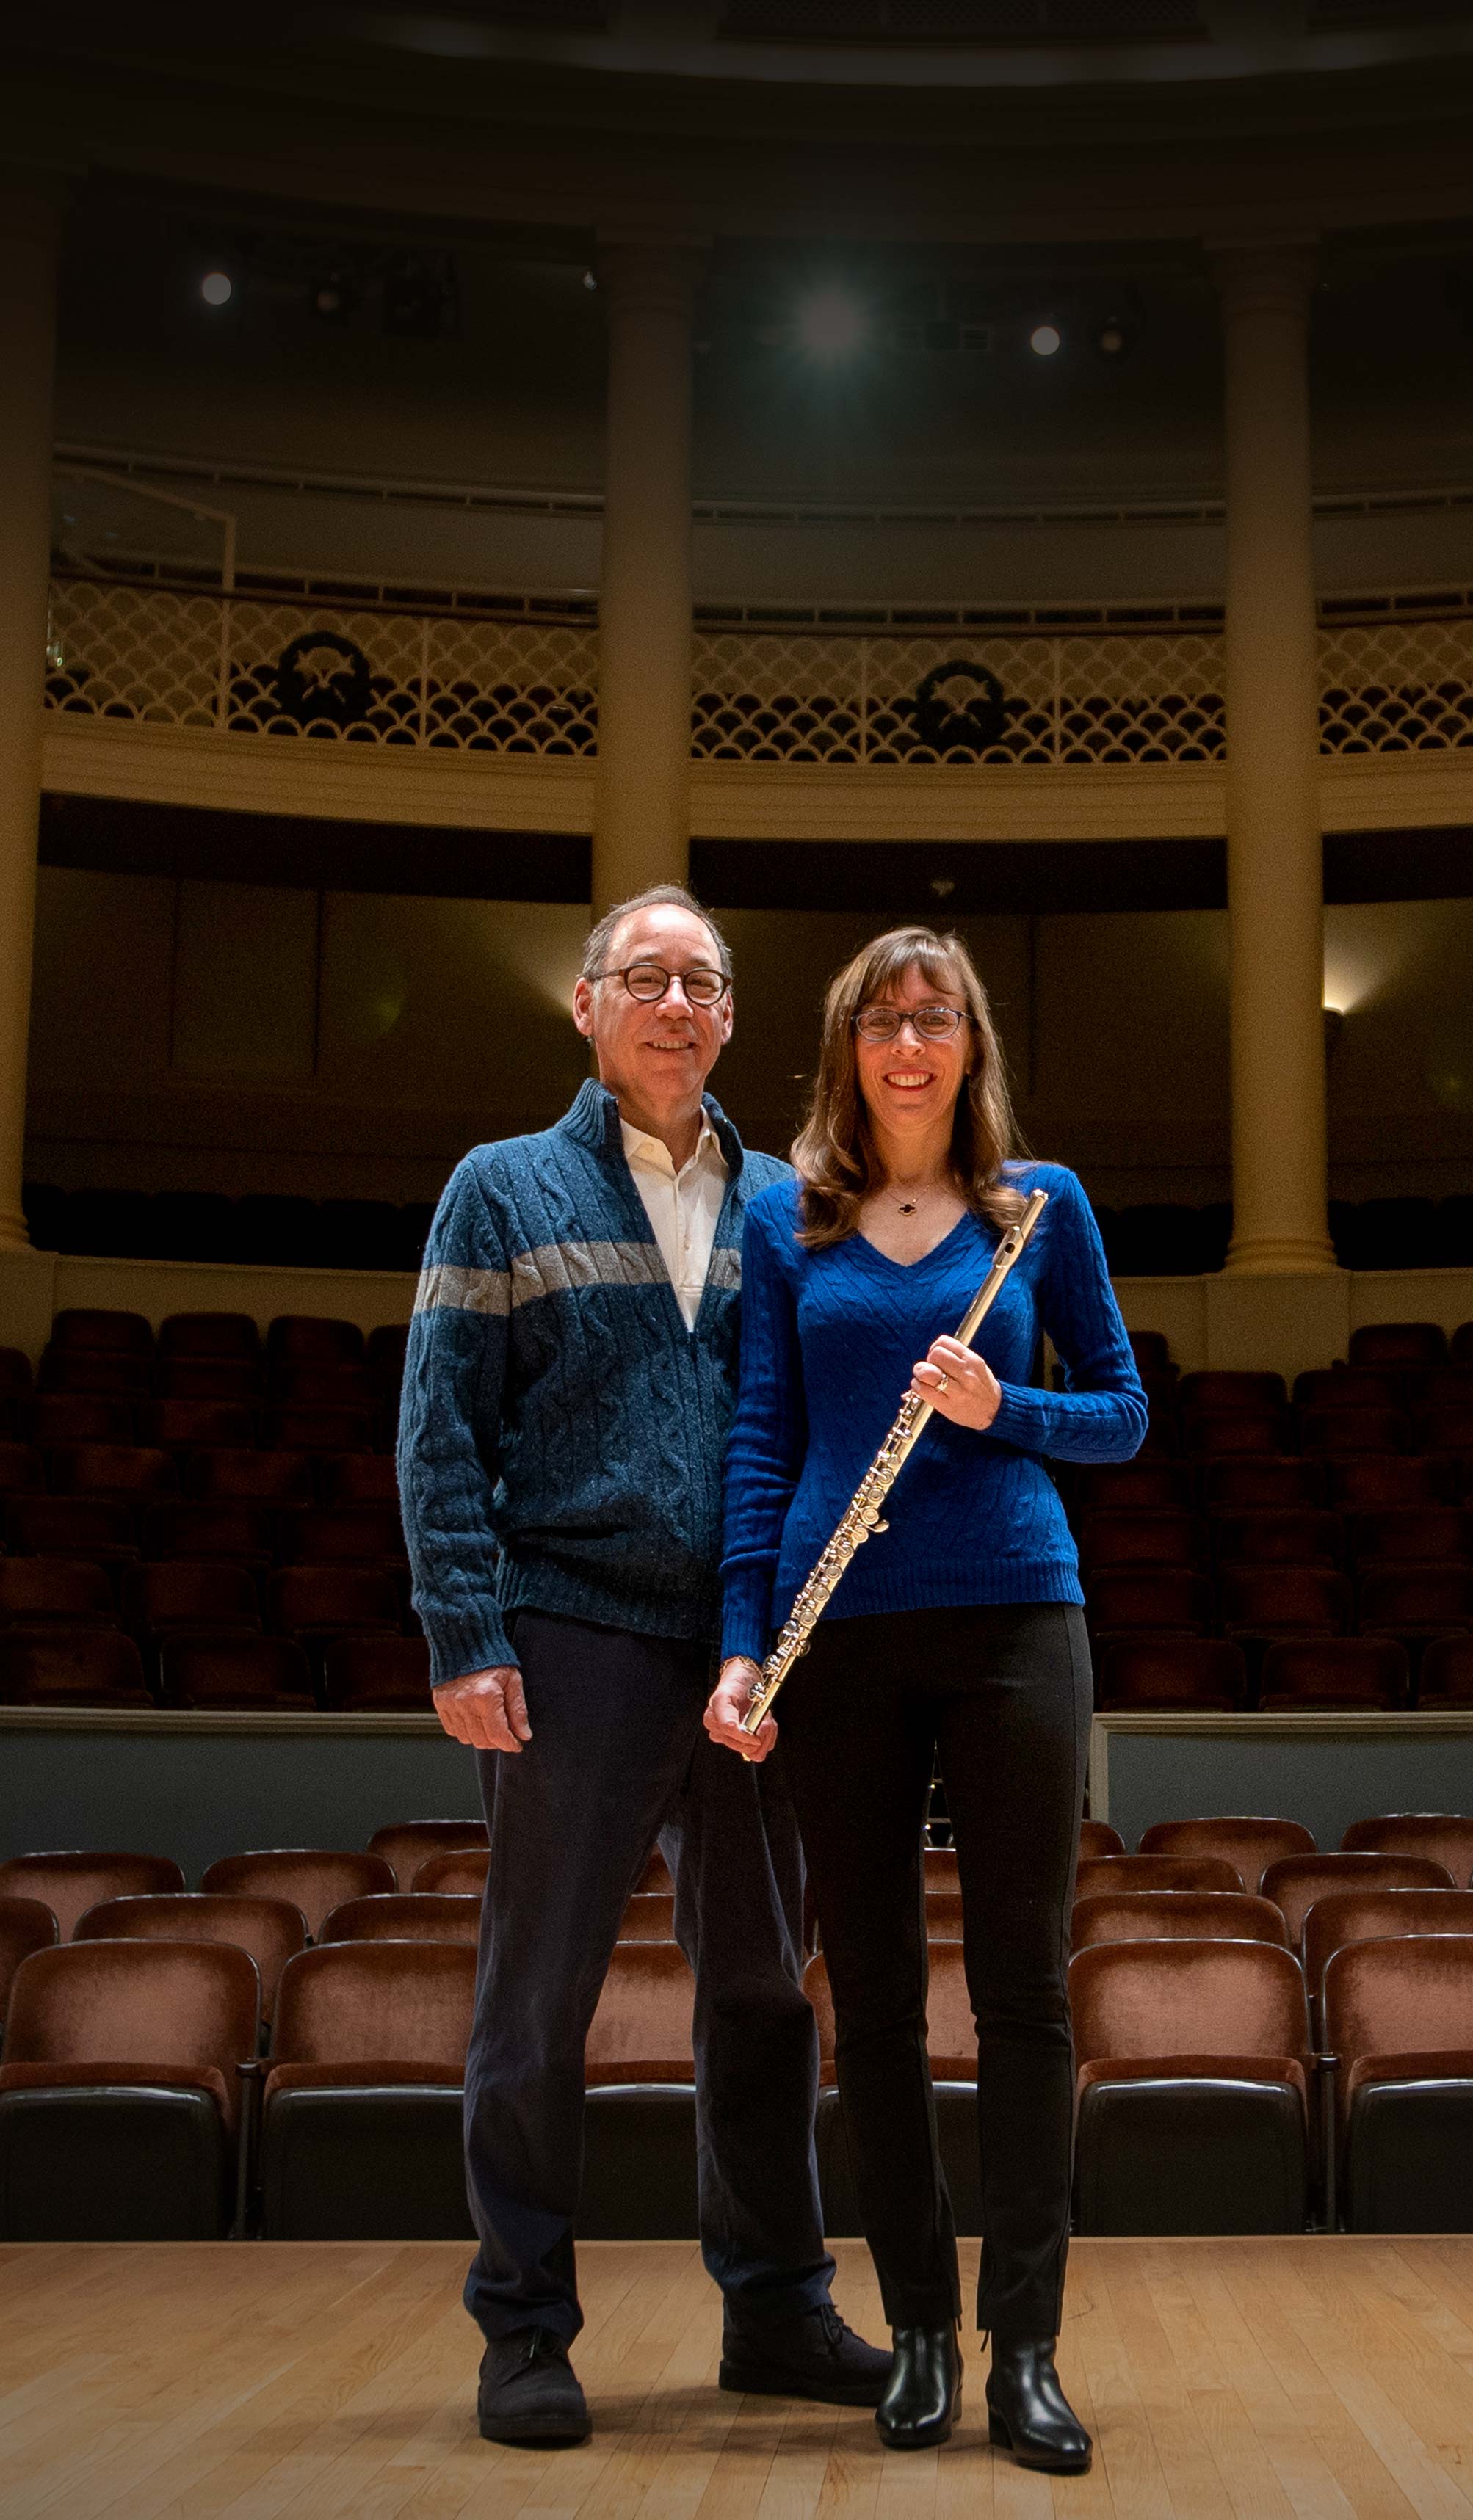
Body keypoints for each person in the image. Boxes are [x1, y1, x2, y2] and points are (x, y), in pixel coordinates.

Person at [400, 882, 891, 2450]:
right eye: (647, 977)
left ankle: (775, 2308)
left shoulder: (787, 1201)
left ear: (732, 1018)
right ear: (587, 1005)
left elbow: (812, 1426)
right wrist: (465, 1634)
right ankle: (524, 2326)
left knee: (760, 1991)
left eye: (705, 982)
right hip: (568, 1636)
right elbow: (438, 1431)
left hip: (746, 1653)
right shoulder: (501, 1188)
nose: (677, 1004)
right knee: (537, 1998)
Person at [704, 926, 1146, 2474]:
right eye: (882, 1018)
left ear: (970, 1043)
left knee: (1022, 1993)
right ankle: (916, 2337)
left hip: (1021, 1614)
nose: (909, 1042)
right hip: (844, 1638)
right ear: (846, 1043)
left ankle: (1025, 2349)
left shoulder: (1043, 1210)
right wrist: (744, 1640)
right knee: (874, 2006)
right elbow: (761, 1436)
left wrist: (997, 1402)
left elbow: (1122, 1414)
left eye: (935, 1016)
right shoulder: (789, 1218)